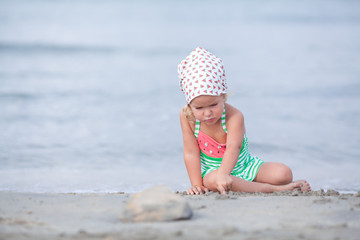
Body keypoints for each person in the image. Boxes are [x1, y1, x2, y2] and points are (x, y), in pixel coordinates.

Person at [178, 47, 311, 195]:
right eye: (199, 108)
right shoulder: (187, 117)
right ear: (190, 104)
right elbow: (191, 153)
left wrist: (225, 174)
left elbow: (233, 147)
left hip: (245, 166)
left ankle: (243, 184)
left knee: (283, 173)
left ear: (223, 96)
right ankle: (271, 189)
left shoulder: (234, 116)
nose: (207, 113)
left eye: (213, 105)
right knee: (210, 181)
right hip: (214, 172)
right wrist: (196, 185)